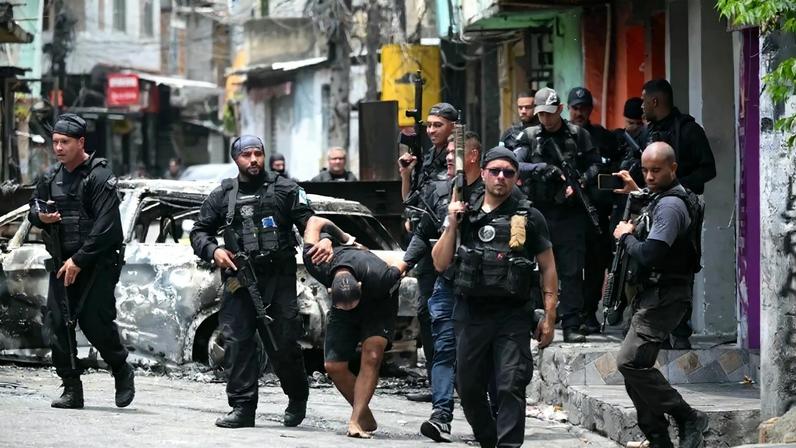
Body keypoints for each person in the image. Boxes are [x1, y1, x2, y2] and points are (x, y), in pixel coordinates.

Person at [190, 135, 336, 428]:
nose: (253, 159)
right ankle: (243, 407)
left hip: (278, 279)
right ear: (236, 159)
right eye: (247, 155)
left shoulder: (285, 189)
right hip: (239, 280)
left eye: (258, 153)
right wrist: (214, 251)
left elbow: (309, 222)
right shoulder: (223, 195)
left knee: (283, 344)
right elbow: (199, 232)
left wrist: (324, 239)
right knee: (237, 342)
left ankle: (297, 396)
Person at [432, 147, 557, 448]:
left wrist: (550, 316)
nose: (501, 177)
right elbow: (439, 263)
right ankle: (489, 440)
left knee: (510, 384)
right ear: (484, 173)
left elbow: (548, 267)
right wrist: (452, 223)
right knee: (468, 388)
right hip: (471, 312)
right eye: (495, 171)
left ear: (516, 177)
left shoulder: (529, 216)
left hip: (512, 314)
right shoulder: (464, 211)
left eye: (508, 172)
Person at [28, 113, 133, 409]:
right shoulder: (51, 177)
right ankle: (72, 388)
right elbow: (33, 208)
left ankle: (121, 368)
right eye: (55, 142)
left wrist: (79, 260)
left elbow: (107, 227)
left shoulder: (99, 176)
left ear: (81, 142)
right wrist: (41, 217)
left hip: (96, 264)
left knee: (94, 322)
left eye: (65, 142)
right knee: (57, 323)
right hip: (62, 263)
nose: (58, 148)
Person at [612, 142, 709, 448]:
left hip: (664, 296)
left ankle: (687, 416)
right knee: (637, 369)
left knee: (629, 362)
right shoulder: (666, 197)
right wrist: (637, 191)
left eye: (656, 170)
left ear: (673, 168)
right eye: (645, 170)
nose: (650, 176)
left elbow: (651, 254)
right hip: (653, 295)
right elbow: (653, 202)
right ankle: (657, 438)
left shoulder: (670, 206)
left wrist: (625, 237)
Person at [514, 87, 600, 342]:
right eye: (541, 114)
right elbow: (515, 165)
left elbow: (596, 164)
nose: (546, 119)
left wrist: (581, 182)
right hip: (537, 212)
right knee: (530, 268)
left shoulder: (578, 135)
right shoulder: (530, 136)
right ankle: (534, 321)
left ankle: (571, 323)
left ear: (560, 110)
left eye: (550, 113)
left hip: (569, 214)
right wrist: (541, 168)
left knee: (571, 270)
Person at [302, 232, 408, 439]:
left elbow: (407, 259)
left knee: (372, 356)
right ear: (329, 289)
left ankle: (356, 420)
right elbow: (314, 221)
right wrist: (335, 237)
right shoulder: (317, 264)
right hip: (342, 304)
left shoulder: (382, 277)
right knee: (333, 366)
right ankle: (364, 414)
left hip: (378, 302)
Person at [641, 79, 716, 349]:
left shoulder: (688, 130)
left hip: (682, 209)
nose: (641, 106)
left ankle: (680, 331)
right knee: (651, 265)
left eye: (644, 100)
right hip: (653, 208)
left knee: (681, 266)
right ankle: (655, 330)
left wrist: (677, 186)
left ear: (655, 101)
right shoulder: (649, 132)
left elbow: (708, 169)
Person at [396, 102, 458, 402]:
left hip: (450, 245)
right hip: (426, 243)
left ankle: (456, 382)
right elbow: (410, 199)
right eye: (429, 125)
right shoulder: (429, 156)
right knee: (425, 312)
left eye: (438, 125)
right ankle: (437, 383)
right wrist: (406, 173)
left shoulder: (457, 158)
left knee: (447, 315)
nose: (432, 130)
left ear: (453, 127)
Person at [567, 86, 618, 335]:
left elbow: (612, 169)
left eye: (584, 108)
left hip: (596, 212)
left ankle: (589, 312)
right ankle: (572, 313)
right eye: (575, 108)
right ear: (568, 109)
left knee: (596, 265)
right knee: (572, 266)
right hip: (569, 212)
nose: (580, 113)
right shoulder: (562, 136)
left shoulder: (602, 137)